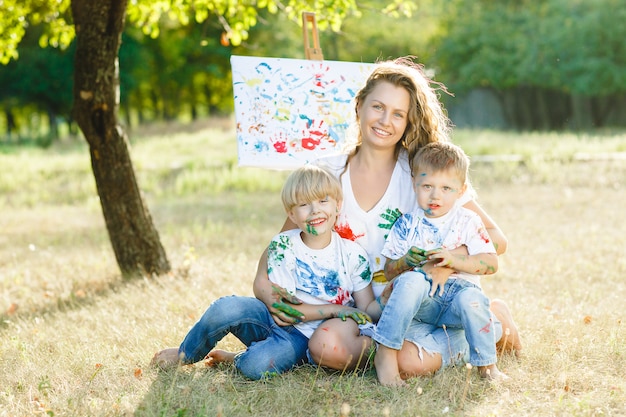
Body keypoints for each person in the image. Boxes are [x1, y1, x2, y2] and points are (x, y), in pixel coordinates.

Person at [252, 56, 521, 378]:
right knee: (327, 349)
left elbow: (497, 240)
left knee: (407, 364)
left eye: (398, 114)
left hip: (420, 305)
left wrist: (447, 256)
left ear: (409, 122)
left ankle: (488, 323)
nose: (385, 120)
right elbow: (285, 242)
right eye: (378, 107)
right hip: (362, 310)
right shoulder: (326, 172)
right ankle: (394, 348)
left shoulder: (424, 175)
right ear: (359, 106)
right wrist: (267, 293)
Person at [151, 165, 378, 379]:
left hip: (303, 338)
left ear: (338, 205)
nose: (315, 210)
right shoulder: (282, 246)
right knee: (224, 308)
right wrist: (333, 309)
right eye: (303, 205)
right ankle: (185, 353)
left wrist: (389, 298)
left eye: (323, 201)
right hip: (271, 319)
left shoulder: (353, 255)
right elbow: (285, 313)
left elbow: (366, 308)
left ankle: (239, 359)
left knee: (255, 366)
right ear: (291, 215)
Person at [372, 141, 505, 386]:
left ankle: (487, 366)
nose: (435, 195)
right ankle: (386, 355)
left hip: (458, 296)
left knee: (472, 300)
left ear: (460, 190)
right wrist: (404, 262)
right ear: (415, 185)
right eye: (427, 186)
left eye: (446, 188)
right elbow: (388, 271)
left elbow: (491, 262)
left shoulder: (468, 220)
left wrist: (454, 259)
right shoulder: (406, 224)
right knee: (411, 279)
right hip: (423, 302)